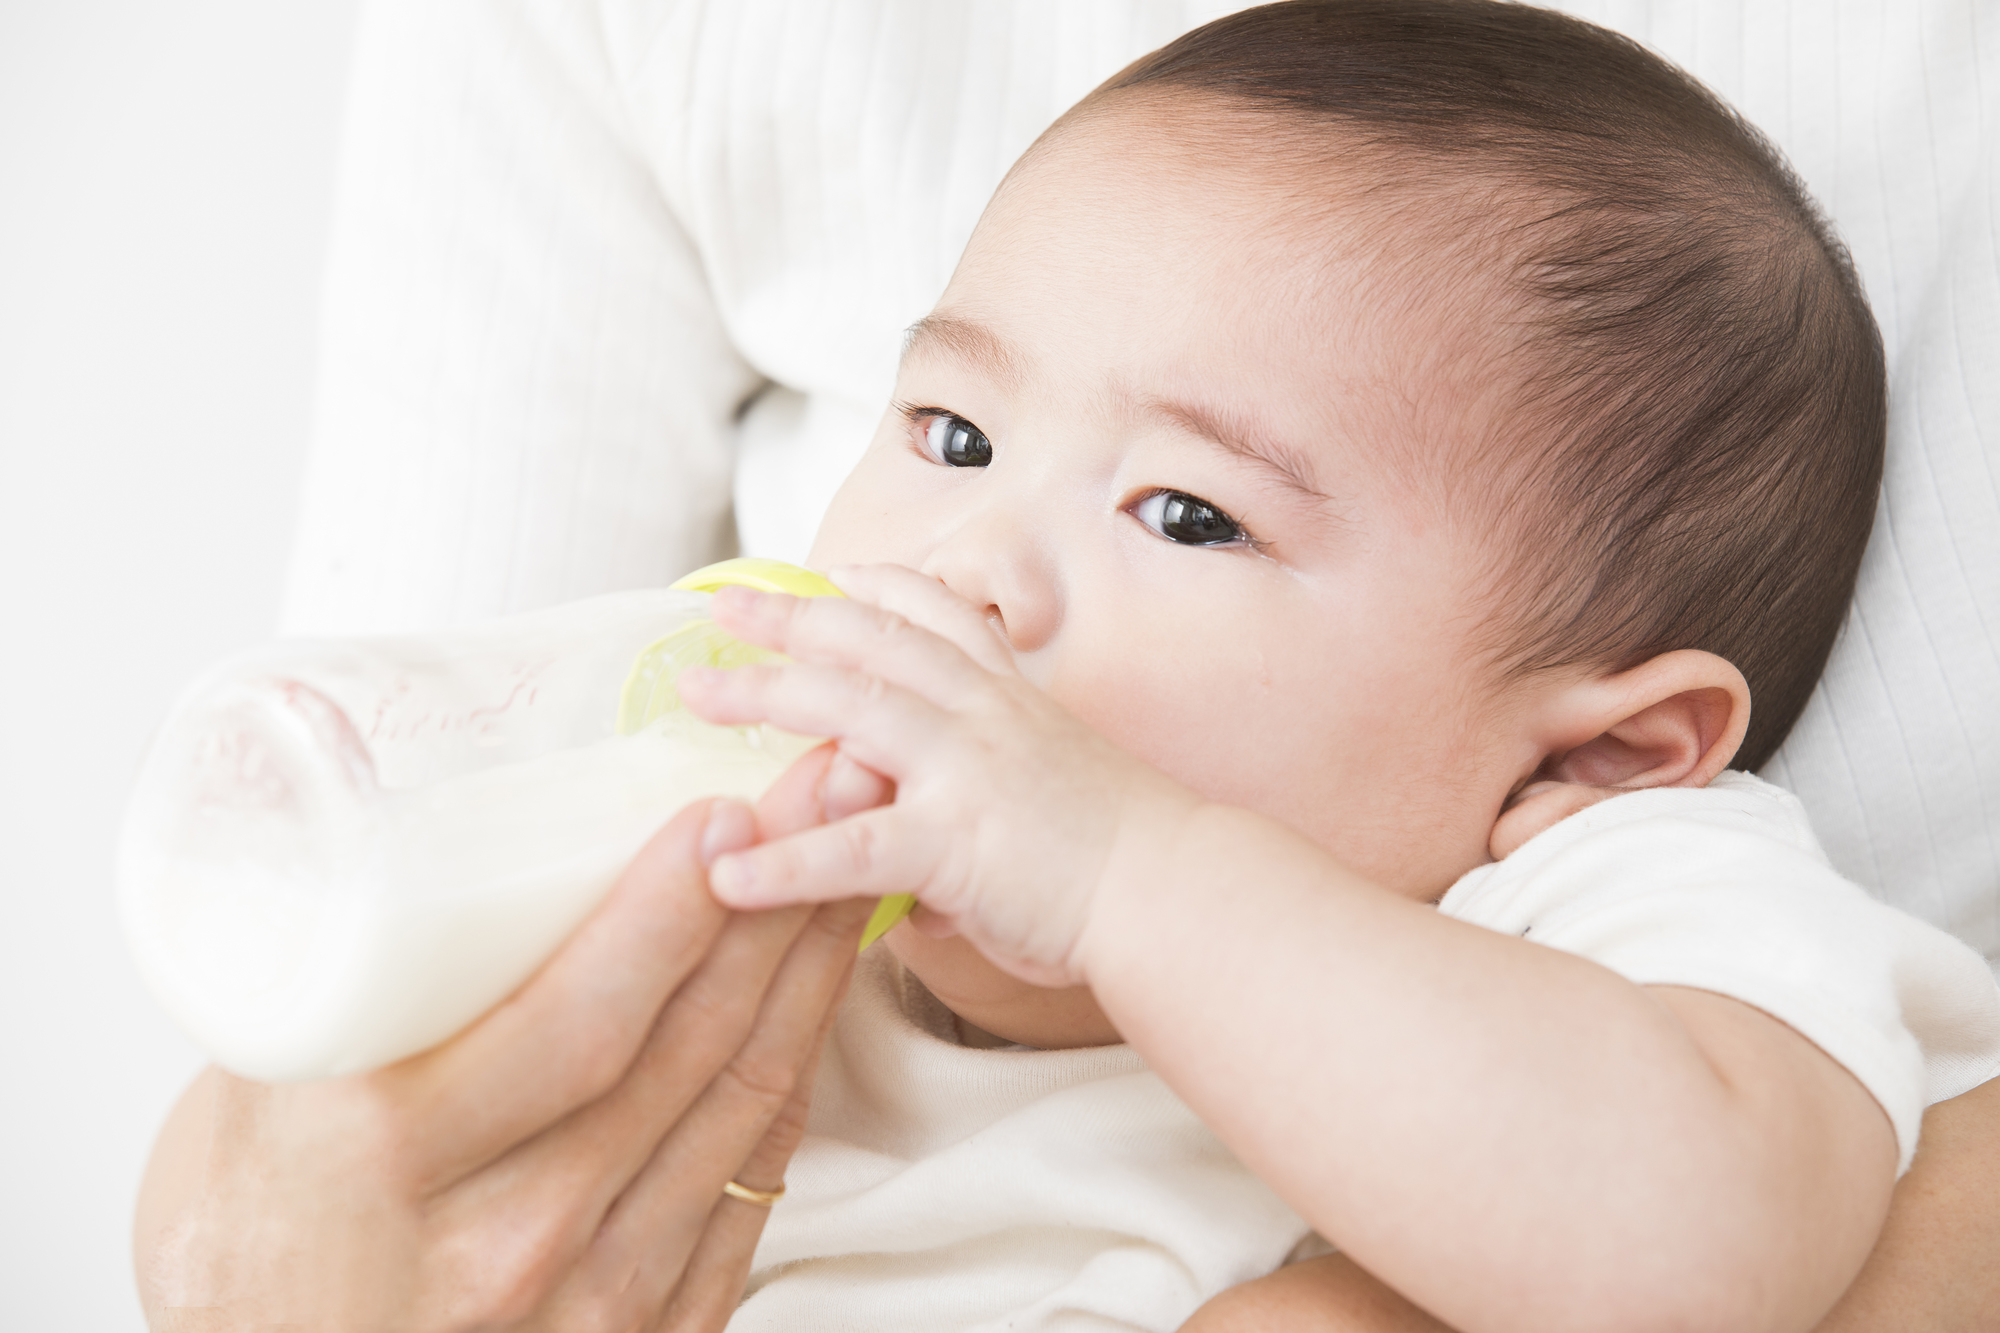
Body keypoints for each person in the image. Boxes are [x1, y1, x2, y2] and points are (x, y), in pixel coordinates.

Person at [137, 3, 2000, 1330]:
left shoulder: (1595, 904)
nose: (971, 569)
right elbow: (284, 1193)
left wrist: (1121, 868)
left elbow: (1702, 1260)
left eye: (1188, 516)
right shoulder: (734, 882)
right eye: (951, 433)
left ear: (1597, 752)